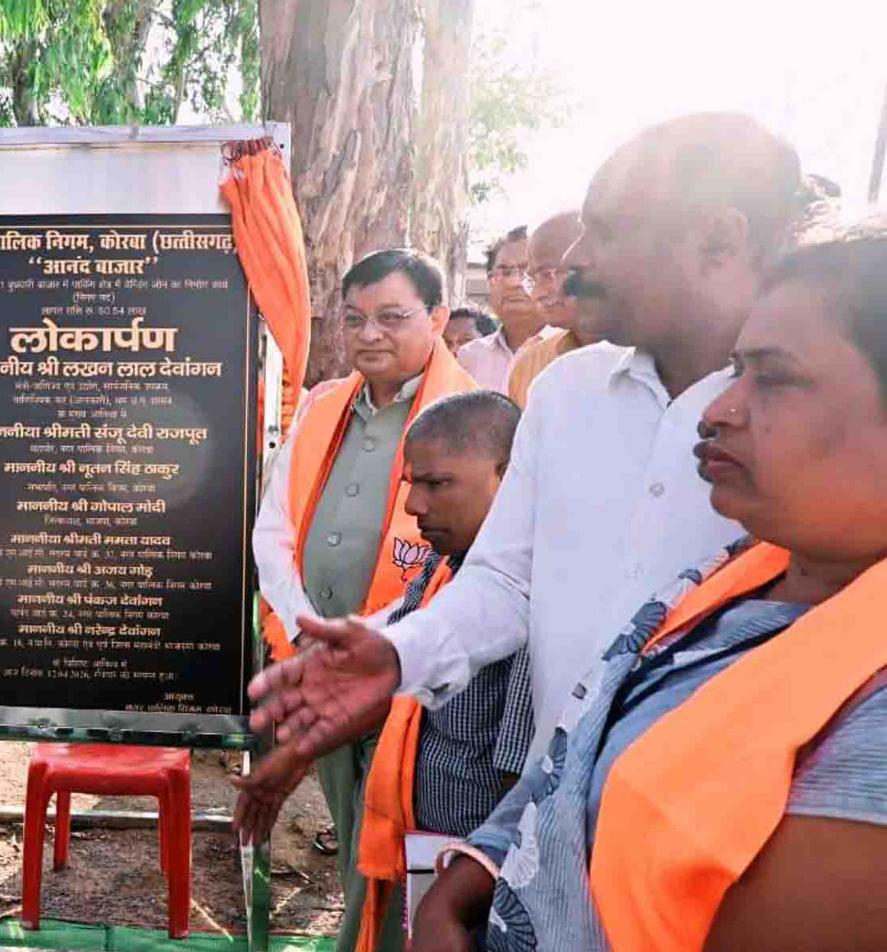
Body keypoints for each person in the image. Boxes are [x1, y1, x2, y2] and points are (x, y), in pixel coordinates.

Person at [403, 230, 887, 952]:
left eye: (773, 379)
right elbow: (574, 754)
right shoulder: (733, 574)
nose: (720, 408)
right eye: (735, 370)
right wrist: (460, 888)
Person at [241, 113, 812, 788]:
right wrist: (398, 651)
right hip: (554, 806)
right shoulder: (568, 391)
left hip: (736, 831)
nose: (573, 262)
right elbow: (507, 579)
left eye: (606, 230)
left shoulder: (821, 424)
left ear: (719, 240)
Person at [239, 389, 533, 952]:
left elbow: (521, 788)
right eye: (409, 482)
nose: (413, 506)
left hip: (484, 880)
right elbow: (394, 650)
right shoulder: (442, 565)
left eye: (437, 483)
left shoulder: (534, 606)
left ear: (511, 480)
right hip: (430, 852)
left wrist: (460, 896)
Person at [252, 248, 477, 952]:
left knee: (385, 851)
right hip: (319, 661)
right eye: (354, 317)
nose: (369, 334)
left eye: (392, 316)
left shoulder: (473, 414)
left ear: (438, 320)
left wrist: (379, 645)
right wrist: (306, 629)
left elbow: (472, 563)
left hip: (413, 668)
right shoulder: (322, 406)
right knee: (358, 842)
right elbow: (274, 527)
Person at [506, 211, 592, 407]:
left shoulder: (651, 357)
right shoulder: (529, 366)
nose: (537, 294)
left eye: (547, 275)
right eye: (533, 280)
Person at [457, 227, 544, 392]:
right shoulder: (469, 357)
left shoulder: (570, 349)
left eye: (526, 271)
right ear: (490, 281)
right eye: (504, 272)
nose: (514, 282)